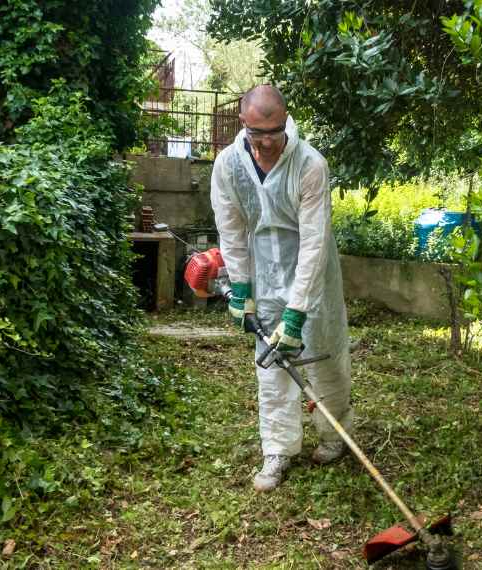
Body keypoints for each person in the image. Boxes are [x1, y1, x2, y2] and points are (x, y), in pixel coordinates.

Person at [210, 85, 353, 492]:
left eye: (274, 131)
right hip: (263, 271)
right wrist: (240, 288)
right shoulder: (228, 166)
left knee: (324, 353)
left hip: (313, 273)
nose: (267, 141)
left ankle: (334, 433)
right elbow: (232, 230)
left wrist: (297, 311)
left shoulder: (310, 164)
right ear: (243, 125)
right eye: (258, 133)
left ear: (285, 121)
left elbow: (314, 241)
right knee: (271, 362)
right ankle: (278, 449)